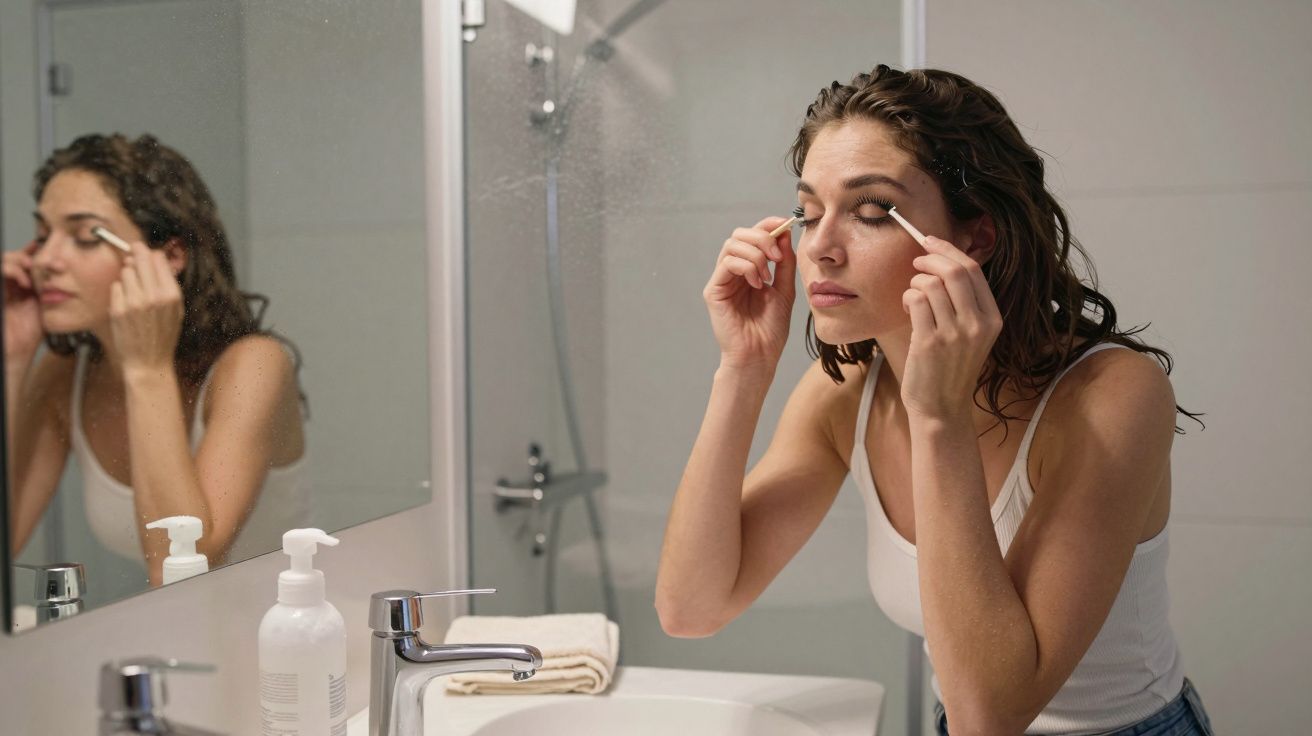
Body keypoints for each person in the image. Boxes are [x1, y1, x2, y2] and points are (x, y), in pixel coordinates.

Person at [656, 65, 1213, 735]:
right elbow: (691, 608)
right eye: (807, 213)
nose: (821, 248)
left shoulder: (1112, 395)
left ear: (973, 238)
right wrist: (742, 371)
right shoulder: (844, 397)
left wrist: (939, 415)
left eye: (868, 212)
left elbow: (990, 716)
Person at [4, 133, 308, 586]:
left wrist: (146, 369)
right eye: (43, 236)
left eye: (85, 237)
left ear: (169, 256)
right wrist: (11, 360)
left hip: (277, 644)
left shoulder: (254, 367)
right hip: (173, 640)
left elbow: (179, 568)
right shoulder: (67, 374)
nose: (45, 260)